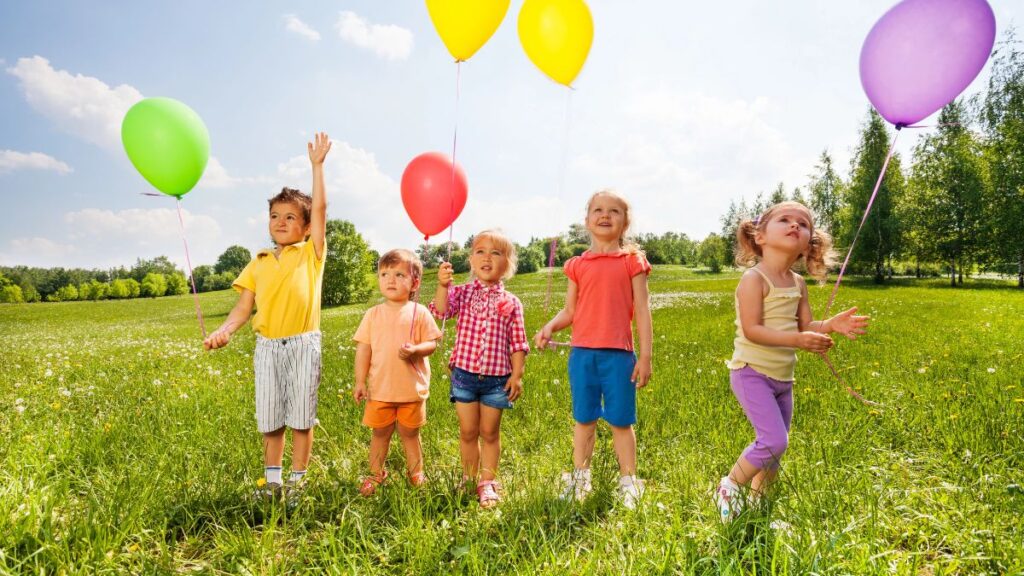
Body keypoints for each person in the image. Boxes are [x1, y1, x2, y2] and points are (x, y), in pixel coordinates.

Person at [715, 201, 870, 521]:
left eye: (803, 224)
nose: (795, 225)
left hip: (783, 380)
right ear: (760, 235)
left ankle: (760, 505)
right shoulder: (754, 279)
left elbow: (804, 326)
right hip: (751, 372)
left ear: (808, 244)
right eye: (785, 220)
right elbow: (753, 330)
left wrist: (829, 326)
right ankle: (730, 487)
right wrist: (798, 341)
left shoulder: (797, 283)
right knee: (772, 440)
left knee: (776, 450)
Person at [203, 132, 332, 502]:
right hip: (267, 348)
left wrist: (317, 167)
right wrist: (224, 331)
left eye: (291, 217)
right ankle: (273, 482)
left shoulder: (311, 254)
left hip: (304, 344)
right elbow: (243, 308)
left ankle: (298, 480)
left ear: (306, 227)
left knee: (301, 417)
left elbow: (321, 210)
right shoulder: (257, 262)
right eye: (274, 215)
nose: (280, 221)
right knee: (271, 418)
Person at [535, 190, 653, 510]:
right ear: (586, 221)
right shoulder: (577, 265)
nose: (605, 215)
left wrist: (645, 356)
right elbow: (569, 311)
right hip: (583, 356)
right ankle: (580, 478)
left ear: (625, 222)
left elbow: (642, 310)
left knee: (620, 421)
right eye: (597, 210)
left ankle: (629, 481)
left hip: (618, 357)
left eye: (613, 211)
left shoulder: (632, 262)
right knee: (584, 418)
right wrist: (549, 327)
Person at [431, 230, 529, 508]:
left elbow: (518, 342)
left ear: (507, 264)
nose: (487, 258)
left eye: (496, 253)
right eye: (481, 251)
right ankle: (468, 477)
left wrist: (517, 375)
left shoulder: (512, 303)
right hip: (464, 376)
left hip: (497, 380)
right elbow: (441, 311)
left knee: (490, 433)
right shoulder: (462, 293)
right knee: (467, 432)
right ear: (471, 260)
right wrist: (442, 285)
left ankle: (487, 482)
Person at [353, 249, 442, 496]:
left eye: (399, 274)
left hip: (411, 390)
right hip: (380, 390)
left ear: (415, 283)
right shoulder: (373, 314)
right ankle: (375, 474)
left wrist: (416, 350)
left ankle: (416, 473)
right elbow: (363, 350)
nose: (390, 280)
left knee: (410, 434)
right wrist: (360, 381)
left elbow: (432, 344)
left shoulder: (419, 312)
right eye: (384, 274)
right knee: (379, 433)